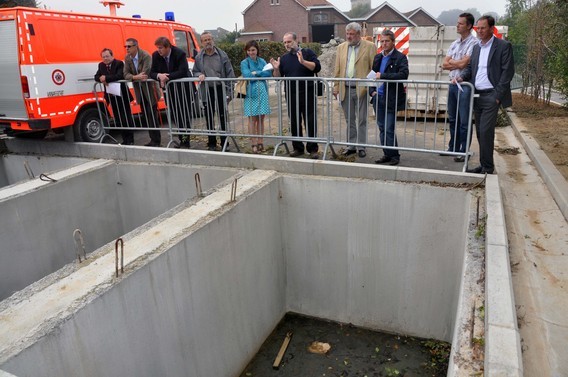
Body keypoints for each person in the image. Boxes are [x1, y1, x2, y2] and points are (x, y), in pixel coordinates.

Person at [458, 15, 514, 174]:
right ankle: (484, 165)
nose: (479, 31)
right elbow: (471, 69)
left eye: (483, 28)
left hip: (491, 96)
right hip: (477, 96)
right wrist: (462, 76)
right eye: (478, 28)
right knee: (480, 132)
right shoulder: (476, 47)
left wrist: (497, 96)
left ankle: (488, 168)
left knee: (486, 131)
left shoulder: (503, 46)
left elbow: (507, 72)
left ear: (491, 29)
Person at [270, 32, 321, 159]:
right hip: (292, 94)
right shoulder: (284, 58)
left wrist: (303, 61)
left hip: (308, 92)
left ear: (296, 41)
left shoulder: (308, 52)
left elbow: (317, 67)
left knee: (310, 121)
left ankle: (312, 148)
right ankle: (298, 148)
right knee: (294, 121)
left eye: (289, 41)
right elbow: (278, 78)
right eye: (285, 42)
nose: (287, 44)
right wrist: (276, 69)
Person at [333, 22, 376, 158]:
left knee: (362, 119)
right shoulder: (341, 47)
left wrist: (371, 88)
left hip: (361, 89)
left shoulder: (369, 47)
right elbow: (338, 68)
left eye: (352, 34)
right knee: (349, 119)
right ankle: (351, 146)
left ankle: (362, 146)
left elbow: (373, 68)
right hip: (345, 88)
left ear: (358, 34)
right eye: (347, 34)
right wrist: (335, 86)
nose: (349, 36)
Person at [441, 13, 477, 162]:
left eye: (461, 24)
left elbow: (464, 65)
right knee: (453, 118)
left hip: (465, 86)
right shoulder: (455, 43)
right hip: (453, 85)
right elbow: (444, 64)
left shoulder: (473, 43)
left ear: (469, 26)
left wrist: (455, 63)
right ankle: (453, 147)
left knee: (464, 120)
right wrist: (459, 62)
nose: (457, 26)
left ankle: (463, 150)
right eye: (457, 23)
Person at [370, 29, 409, 166]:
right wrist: (372, 92)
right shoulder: (378, 57)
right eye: (382, 41)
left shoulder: (400, 58)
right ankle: (386, 153)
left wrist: (384, 76)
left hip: (391, 98)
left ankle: (394, 155)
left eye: (387, 41)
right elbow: (373, 75)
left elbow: (403, 75)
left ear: (393, 42)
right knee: (381, 128)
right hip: (378, 98)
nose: (384, 44)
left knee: (388, 128)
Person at [193, 32, 236, 151]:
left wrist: (230, 91)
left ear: (213, 40)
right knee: (209, 117)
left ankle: (224, 143)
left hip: (220, 88)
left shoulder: (222, 55)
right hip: (207, 90)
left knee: (222, 117)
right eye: (205, 40)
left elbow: (229, 73)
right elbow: (195, 71)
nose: (208, 42)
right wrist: (199, 74)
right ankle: (211, 143)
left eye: (209, 39)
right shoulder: (199, 57)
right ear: (201, 43)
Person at [149, 36, 192, 148]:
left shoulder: (179, 53)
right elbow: (152, 72)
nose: (159, 50)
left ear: (168, 47)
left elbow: (183, 71)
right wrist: (159, 76)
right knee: (175, 114)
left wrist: (166, 77)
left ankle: (185, 142)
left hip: (182, 88)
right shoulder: (155, 55)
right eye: (157, 48)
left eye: (161, 48)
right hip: (169, 90)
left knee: (183, 114)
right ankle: (180, 139)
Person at [123, 38, 160, 147]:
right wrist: (135, 77)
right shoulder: (127, 58)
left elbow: (145, 73)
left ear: (136, 46)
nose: (127, 49)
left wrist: (134, 77)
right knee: (146, 115)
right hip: (139, 91)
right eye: (125, 47)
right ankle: (152, 139)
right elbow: (125, 74)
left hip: (150, 90)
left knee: (152, 114)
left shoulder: (146, 56)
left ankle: (156, 140)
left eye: (129, 46)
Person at [94, 48, 134, 144]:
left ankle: (130, 140)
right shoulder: (101, 65)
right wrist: (101, 78)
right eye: (103, 57)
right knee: (118, 118)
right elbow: (96, 77)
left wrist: (106, 78)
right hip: (111, 96)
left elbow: (119, 75)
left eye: (107, 56)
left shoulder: (119, 63)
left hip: (122, 95)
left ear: (112, 55)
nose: (105, 58)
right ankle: (124, 140)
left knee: (126, 118)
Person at [240, 40, 272, 154]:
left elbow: (268, 73)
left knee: (261, 119)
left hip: (262, 92)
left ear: (257, 50)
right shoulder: (244, 62)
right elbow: (247, 75)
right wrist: (259, 73)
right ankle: (253, 143)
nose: (251, 52)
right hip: (250, 93)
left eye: (253, 50)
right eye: (248, 50)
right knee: (252, 119)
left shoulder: (262, 60)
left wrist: (255, 73)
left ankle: (260, 141)